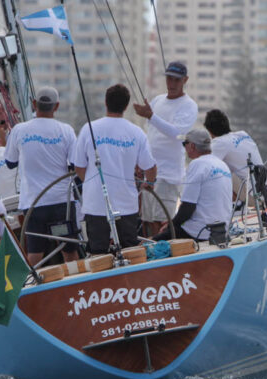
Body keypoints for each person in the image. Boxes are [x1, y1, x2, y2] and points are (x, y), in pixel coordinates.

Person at [73, 83, 157, 255]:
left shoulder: (89, 129)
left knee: (98, 255)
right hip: (126, 205)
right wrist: (149, 183)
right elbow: (150, 167)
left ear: (106, 102)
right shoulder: (136, 133)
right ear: (126, 106)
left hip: (95, 204)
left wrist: (90, 183)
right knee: (130, 253)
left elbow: (79, 166)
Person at [4, 86, 79, 266]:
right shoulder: (66, 130)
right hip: (61, 203)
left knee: (35, 254)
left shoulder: (19, 130)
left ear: (34, 103)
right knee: (70, 251)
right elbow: (75, 165)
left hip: (34, 204)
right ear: (57, 106)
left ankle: (30, 282)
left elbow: (10, 162)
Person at [134, 61, 198, 235]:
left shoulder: (189, 105)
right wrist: (140, 162)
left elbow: (178, 133)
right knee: (146, 222)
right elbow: (150, 134)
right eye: (169, 79)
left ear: (185, 80)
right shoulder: (157, 100)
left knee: (161, 223)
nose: (172, 83)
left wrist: (151, 116)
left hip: (169, 176)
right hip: (150, 174)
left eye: (177, 80)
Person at [154, 129, 232, 242]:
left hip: (200, 232)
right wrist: (174, 222)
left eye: (184, 143)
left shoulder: (197, 164)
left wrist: (171, 225)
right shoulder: (222, 164)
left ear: (192, 146)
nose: (184, 148)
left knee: (152, 241)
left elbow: (188, 207)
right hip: (221, 230)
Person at [203, 109, 264, 202]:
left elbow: (204, 166)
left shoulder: (219, 142)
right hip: (264, 193)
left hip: (252, 197)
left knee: (216, 171)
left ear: (210, 131)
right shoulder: (243, 134)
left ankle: (224, 205)